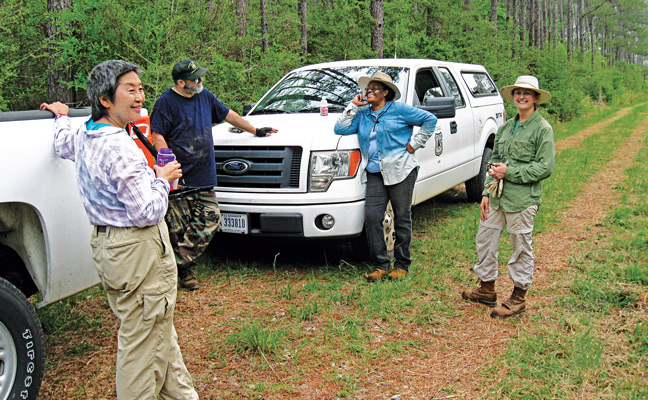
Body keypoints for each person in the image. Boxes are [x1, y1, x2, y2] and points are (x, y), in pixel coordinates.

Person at [41, 60, 199, 399]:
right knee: (142, 347)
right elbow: (147, 210)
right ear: (105, 100)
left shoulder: (87, 133)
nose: (140, 96)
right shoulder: (119, 147)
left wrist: (60, 115)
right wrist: (162, 179)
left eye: (141, 88)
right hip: (138, 249)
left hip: (110, 247)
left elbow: (62, 142)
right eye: (130, 89)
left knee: (157, 332)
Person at [150, 58, 276, 290]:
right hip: (180, 176)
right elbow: (157, 135)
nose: (200, 80)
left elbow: (228, 114)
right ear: (180, 82)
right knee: (179, 228)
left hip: (204, 174)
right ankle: (186, 274)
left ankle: (172, 265)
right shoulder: (165, 103)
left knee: (210, 219)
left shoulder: (204, 96)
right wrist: (169, 166)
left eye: (200, 76)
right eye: (194, 78)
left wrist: (255, 130)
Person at [461, 75, 555, 318]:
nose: (521, 97)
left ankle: (518, 297)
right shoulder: (505, 127)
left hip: (522, 200)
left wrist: (510, 172)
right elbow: (494, 162)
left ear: (536, 98)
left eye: (527, 93)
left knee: (520, 246)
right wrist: (485, 192)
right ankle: (486, 289)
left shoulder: (542, 129)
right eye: (517, 93)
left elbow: (545, 167)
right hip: (496, 198)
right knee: (485, 239)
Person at [334, 72, 438, 281]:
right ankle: (380, 264)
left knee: (401, 217)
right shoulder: (363, 114)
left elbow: (430, 119)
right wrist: (353, 105)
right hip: (374, 172)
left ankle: (401, 264)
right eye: (367, 88)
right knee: (372, 218)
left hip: (400, 169)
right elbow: (340, 128)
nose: (369, 91)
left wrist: (414, 144)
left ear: (386, 92)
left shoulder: (399, 110)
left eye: (374, 88)